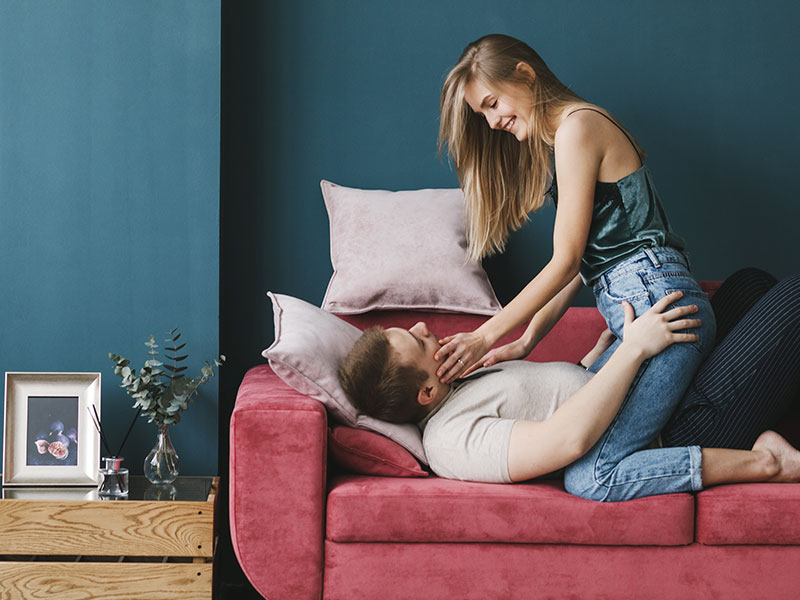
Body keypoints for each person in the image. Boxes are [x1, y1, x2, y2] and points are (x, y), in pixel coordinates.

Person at [432, 33, 717, 500]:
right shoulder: (572, 131)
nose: (493, 120)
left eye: (492, 102)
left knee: (590, 475)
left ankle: (767, 464)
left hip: (655, 305)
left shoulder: (577, 128)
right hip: (643, 298)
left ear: (524, 74)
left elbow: (563, 263)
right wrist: (527, 340)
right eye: (482, 114)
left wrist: (486, 334)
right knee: (575, 428)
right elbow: (588, 265)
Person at [337, 269, 800, 501]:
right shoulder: (450, 440)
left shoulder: (460, 385)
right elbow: (566, 439)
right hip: (678, 429)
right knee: (790, 302)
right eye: (415, 341)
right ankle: (770, 457)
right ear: (426, 393)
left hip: (654, 395)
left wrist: (595, 361)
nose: (421, 327)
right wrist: (634, 349)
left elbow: (550, 400)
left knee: (749, 285)